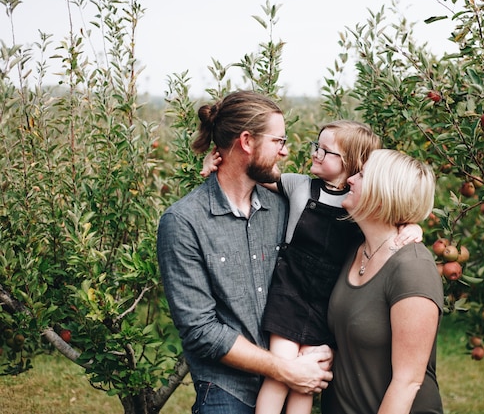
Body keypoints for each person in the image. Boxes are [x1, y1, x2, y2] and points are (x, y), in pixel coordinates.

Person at [201, 121, 423, 414]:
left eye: (325, 150)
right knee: (281, 372)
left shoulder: (357, 203)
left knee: (306, 381)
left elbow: (388, 211)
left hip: (326, 301)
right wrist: (216, 161)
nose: (315, 153)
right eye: (316, 146)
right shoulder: (300, 185)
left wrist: (413, 226)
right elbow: (252, 172)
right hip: (291, 293)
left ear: (351, 163)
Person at [157, 90, 333, 414]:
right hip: (228, 391)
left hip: (291, 386)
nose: (285, 152)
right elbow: (201, 331)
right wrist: (284, 369)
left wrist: (404, 226)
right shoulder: (184, 223)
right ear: (247, 141)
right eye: (278, 142)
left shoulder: (284, 208)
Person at [321, 149, 444, 414]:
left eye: (362, 175)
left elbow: (407, 382)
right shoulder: (354, 248)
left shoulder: (412, 268)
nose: (350, 179)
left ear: (383, 192)